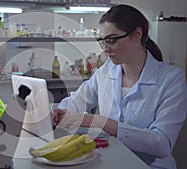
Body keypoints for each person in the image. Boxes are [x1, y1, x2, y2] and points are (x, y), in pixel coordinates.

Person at [51, 4, 187, 169]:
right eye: (103, 41)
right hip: (112, 161)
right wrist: (63, 111)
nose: (106, 49)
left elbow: (162, 144)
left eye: (112, 40)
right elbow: (77, 100)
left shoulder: (171, 79)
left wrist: (103, 122)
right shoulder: (106, 71)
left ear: (137, 34)